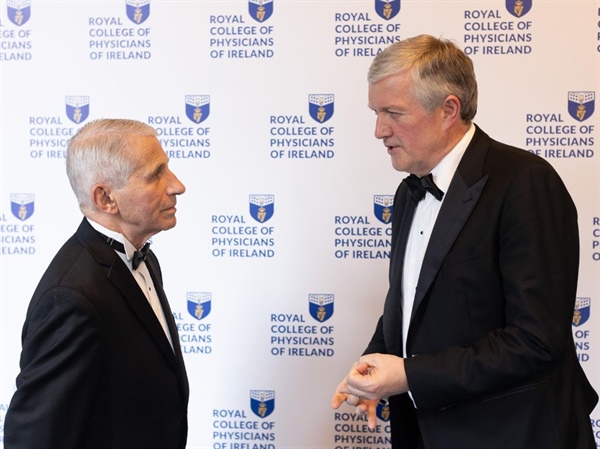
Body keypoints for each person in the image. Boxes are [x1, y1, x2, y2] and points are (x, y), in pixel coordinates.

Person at [331, 35, 598, 449]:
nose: (379, 130)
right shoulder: (408, 193)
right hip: (426, 432)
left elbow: (536, 339)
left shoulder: (525, 182)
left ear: (448, 109)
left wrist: (409, 375)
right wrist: (373, 364)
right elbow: (411, 302)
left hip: (514, 434)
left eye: (393, 113)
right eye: (376, 112)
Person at [4, 119, 189, 449]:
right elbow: (34, 438)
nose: (176, 185)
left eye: (168, 169)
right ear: (105, 198)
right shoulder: (71, 298)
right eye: (155, 175)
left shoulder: (145, 260)